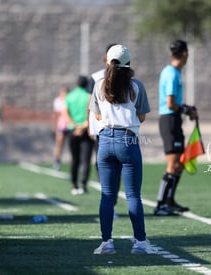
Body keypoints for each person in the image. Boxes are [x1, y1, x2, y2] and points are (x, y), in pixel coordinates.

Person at [90, 44, 157, 254]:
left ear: (108, 62)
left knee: (107, 195)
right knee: (133, 195)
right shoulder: (136, 86)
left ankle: (106, 243)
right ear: (129, 63)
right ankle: (140, 243)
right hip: (127, 140)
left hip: (104, 141)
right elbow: (142, 116)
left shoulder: (99, 85)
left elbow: (97, 115)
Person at [154, 39, 198, 216]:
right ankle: (160, 205)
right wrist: (187, 110)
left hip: (174, 120)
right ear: (185, 54)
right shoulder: (172, 73)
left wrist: (187, 109)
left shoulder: (172, 71)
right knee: (172, 165)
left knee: (179, 164)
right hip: (169, 120)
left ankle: (169, 201)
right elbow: (170, 103)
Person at [88, 43, 121, 219]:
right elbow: (90, 105)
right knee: (105, 166)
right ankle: (109, 204)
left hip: (122, 132)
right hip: (102, 131)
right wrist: (89, 126)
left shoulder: (127, 78)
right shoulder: (95, 78)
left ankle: (112, 202)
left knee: (119, 166)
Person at [62, 76, 94, 195]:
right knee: (86, 160)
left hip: (73, 131)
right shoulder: (88, 96)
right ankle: (83, 185)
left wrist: (75, 126)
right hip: (86, 130)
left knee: (75, 159)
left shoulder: (69, 96)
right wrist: (83, 125)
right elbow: (91, 112)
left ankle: (74, 185)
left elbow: (65, 113)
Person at [52, 86, 70, 170]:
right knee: (59, 144)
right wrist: (55, 128)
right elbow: (55, 116)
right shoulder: (57, 101)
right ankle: (57, 160)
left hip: (69, 126)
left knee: (72, 144)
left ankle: (77, 162)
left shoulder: (69, 100)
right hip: (61, 126)